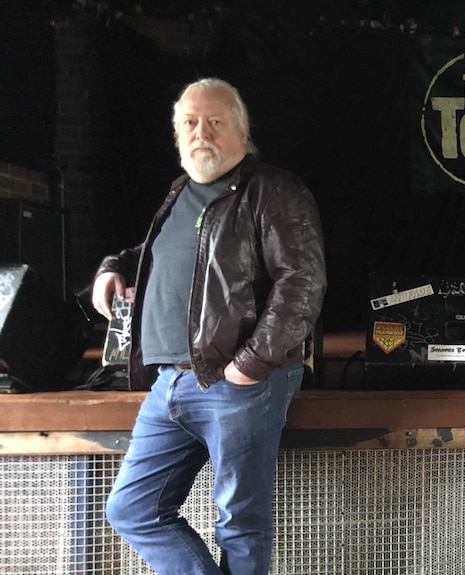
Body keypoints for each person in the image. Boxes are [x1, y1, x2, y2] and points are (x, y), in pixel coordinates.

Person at [91, 77, 327, 575]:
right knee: (133, 510)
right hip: (168, 382)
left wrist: (251, 365)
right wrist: (113, 266)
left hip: (235, 381)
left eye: (216, 122)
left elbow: (302, 282)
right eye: (190, 123)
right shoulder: (180, 193)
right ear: (178, 135)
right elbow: (155, 256)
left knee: (239, 523)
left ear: (242, 131)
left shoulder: (274, 190)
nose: (202, 133)